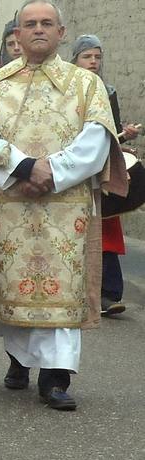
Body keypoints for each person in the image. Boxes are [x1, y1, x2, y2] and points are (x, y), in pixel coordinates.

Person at [0, 2, 130, 410]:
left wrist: (53, 172)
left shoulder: (86, 85)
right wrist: (24, 168)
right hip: (9, 201)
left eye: (47, 23)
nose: (39, 30)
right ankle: (18, 359)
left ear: (62, 32)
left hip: (68, 205)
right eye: (30, 24)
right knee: (14, 285)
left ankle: (56, 377)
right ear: (18, 34)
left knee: (63, 287)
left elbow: (97, 138)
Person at [72, 34, 143, 315]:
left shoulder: (107, 91)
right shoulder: (65, 90)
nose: (93, 62)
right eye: (87, 56)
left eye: (97, 57)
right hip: (72, 168)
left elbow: (109, 134)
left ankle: (110, 294)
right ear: (75, 59)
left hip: (101, 170)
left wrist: (125, 138)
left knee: (106, 229)